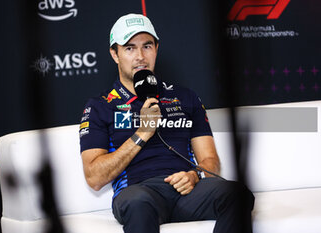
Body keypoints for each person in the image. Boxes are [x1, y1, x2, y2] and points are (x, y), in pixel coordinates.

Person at [79, 13, 254, 233]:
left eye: (147, 46)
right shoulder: (100, 106)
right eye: (130, 48)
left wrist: (194, 176)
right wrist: (142, 133)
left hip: (187, 189)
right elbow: (94, 177)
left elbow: (210, 160)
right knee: (138, 203)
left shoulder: (185, 97)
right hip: (138, 192)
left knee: (238, 194)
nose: (140, 56)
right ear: (115, 54)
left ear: (156, 49)